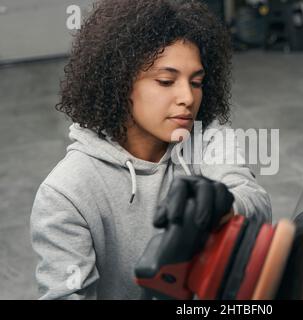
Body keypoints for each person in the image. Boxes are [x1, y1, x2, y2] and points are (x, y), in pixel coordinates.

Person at [30, 0, 272, 300]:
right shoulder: (66, 193)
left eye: (196, 83)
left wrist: (226, 209)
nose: (187, 97)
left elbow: (257, 204)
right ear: (119, 82)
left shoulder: (206, 139)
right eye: (166, 81)